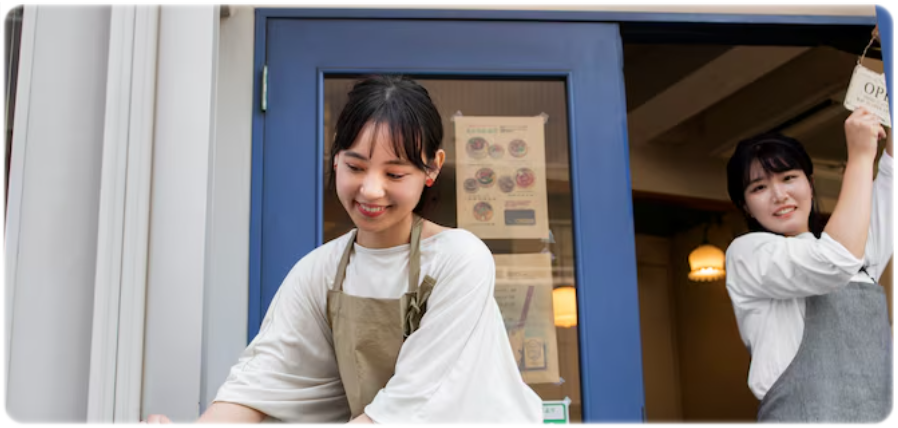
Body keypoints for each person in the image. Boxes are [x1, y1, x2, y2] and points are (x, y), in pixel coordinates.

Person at [146, 75, 543, 423]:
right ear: (335, 160)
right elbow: (261, 379)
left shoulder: (460, 260)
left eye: (394, 173)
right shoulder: (319, 271)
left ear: (432, 168)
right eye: (355, 167)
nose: (371, 190)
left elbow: (410, 404)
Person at [724, 107, 892, 422]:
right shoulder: (748, 254)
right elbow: (835, 261)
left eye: (789, 178)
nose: (779, 195)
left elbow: (893, 178)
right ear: (745, 206)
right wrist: (859, 156)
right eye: (759, 187)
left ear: (810, 183)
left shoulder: (858, 251)